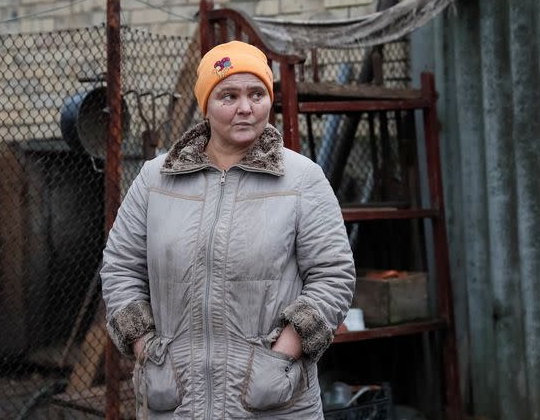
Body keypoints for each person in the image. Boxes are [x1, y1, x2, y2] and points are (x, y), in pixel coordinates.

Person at [100, 40, 355, 419]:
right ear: (206, 104)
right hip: (176, 401)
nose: (245, 108)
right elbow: (120, 267)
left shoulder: (302, 179)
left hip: (274, 403)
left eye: (257, 94)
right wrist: (146, 348)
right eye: (228, 96)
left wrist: (284, 353)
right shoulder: (155, 180)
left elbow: (333, 275)